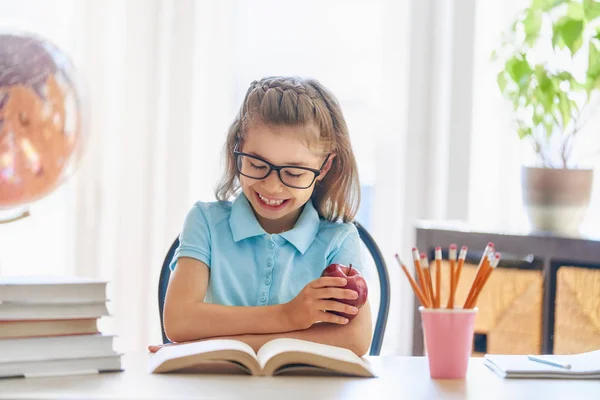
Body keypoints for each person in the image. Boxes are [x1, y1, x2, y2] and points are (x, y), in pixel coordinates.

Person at [163, 76, 372, 356]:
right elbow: (178, 320)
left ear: (324, 167)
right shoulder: (205, 222)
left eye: (294, 173)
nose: (272, 187)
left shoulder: (338, 240)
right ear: (239, 149)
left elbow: (355, 340)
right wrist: (287, 316)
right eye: (256, 164)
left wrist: (219, 344)